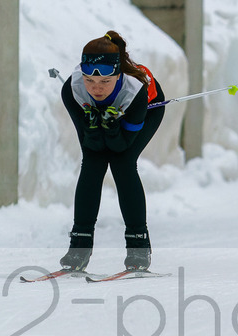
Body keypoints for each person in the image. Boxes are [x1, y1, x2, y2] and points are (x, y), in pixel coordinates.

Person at [59, 31, 165, 272]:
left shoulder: (134, 91)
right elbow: (91, 146)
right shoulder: (72, 89)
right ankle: (79, 248)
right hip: (108, 120)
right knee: (92, 163)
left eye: (105, 82)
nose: (96, 88)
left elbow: (121, 146)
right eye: (89, 80)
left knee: (123, 163)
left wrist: (112, 128)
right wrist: (94, 127)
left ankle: (138, 249)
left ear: (118, 76)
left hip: (147, 109)